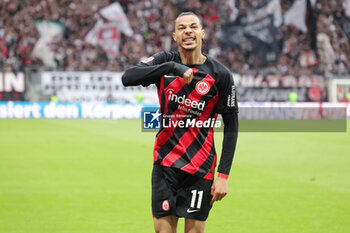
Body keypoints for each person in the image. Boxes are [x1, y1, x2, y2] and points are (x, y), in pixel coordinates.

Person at [122, 12, 238, 233]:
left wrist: (223, 175)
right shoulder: (165, 61)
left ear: (202, 33)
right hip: (165, 164)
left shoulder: (221, 75)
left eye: (193, 27)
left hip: (200, 168)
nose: (188, 31)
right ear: (175, 36)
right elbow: (129, 77)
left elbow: (232, 126)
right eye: (182, 27)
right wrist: (172, 68)